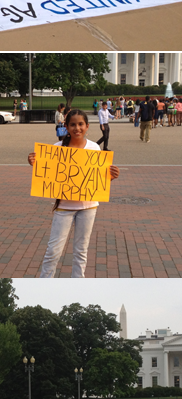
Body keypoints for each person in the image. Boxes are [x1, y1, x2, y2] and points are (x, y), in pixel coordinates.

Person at [28, 109, 120, 278]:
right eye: (73, 125)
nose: (77, 128)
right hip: (64, 207)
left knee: (81, 251)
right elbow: (47, 173)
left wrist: (111, 176)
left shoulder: (94, 148)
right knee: (53, 251)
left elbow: (97, 179)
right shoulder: (56, 148)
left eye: (80, 124)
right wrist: (35, 163)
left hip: (88, 206)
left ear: (87, 126)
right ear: (66, 127)